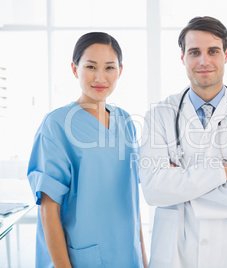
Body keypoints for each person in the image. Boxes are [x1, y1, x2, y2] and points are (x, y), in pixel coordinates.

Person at [139, 16, 227, 268]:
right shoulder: (159, 115)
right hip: (177, 255)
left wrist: (183, 190)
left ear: (226, 54)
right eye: (194, 52)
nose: (204, 61)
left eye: (213, 51)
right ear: (183, 58)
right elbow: (153, 189)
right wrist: (226, 172)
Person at [27, 32, 148, 268]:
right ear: (75, 69)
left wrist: (143, 260)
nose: (100, 77)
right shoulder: (57, 125)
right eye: (91, 66)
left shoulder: (126, 122)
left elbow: (131, 200)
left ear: (120, 71)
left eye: (109, 68)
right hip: (81, 258)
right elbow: (49, 210)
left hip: (127, 257)